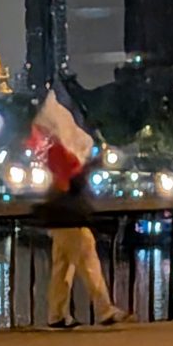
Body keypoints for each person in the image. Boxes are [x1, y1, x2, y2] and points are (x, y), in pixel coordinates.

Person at [29, 89, 128, 328]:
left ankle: (57, 314)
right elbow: (70, 180)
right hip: (72, 218)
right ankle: (105, 310)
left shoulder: (52, 151)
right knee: (89, 262)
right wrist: (92, 163)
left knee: (63, 268)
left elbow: (65, 179)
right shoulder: (62, 153)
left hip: (60, 219)